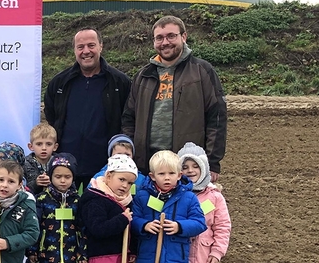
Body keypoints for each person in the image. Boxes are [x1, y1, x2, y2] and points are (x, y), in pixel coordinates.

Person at [122, 16, 228, 178]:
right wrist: (129, 154)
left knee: (187, 203)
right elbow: (129, 118)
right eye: (159, 38)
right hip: (147, 164)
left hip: (186, 164)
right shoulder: (143, 75)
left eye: (171, 36)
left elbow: (217, 117)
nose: (165, 42)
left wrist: (212, 162)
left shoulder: (202, 71)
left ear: (183, 37)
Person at [44, 28, 132, 187]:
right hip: (66, 166)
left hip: (105, 166)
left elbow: (128, 119)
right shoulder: (59, 83)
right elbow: (51, 115)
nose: (86, 51)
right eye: (80, 47)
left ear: (101, 46)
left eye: (91, 45)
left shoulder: (120, 82)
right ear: (74, 50)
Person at [24, 122, 58, 196]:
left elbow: (69, 185)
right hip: (33, 203)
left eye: (48, 144)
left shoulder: (60, 163)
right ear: (31, 146)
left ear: (55, 147)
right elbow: (20, 189)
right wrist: (35, 183)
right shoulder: (24, 164)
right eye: (39, 144)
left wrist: (53, 182)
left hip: (54, 204)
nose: (44, 148)